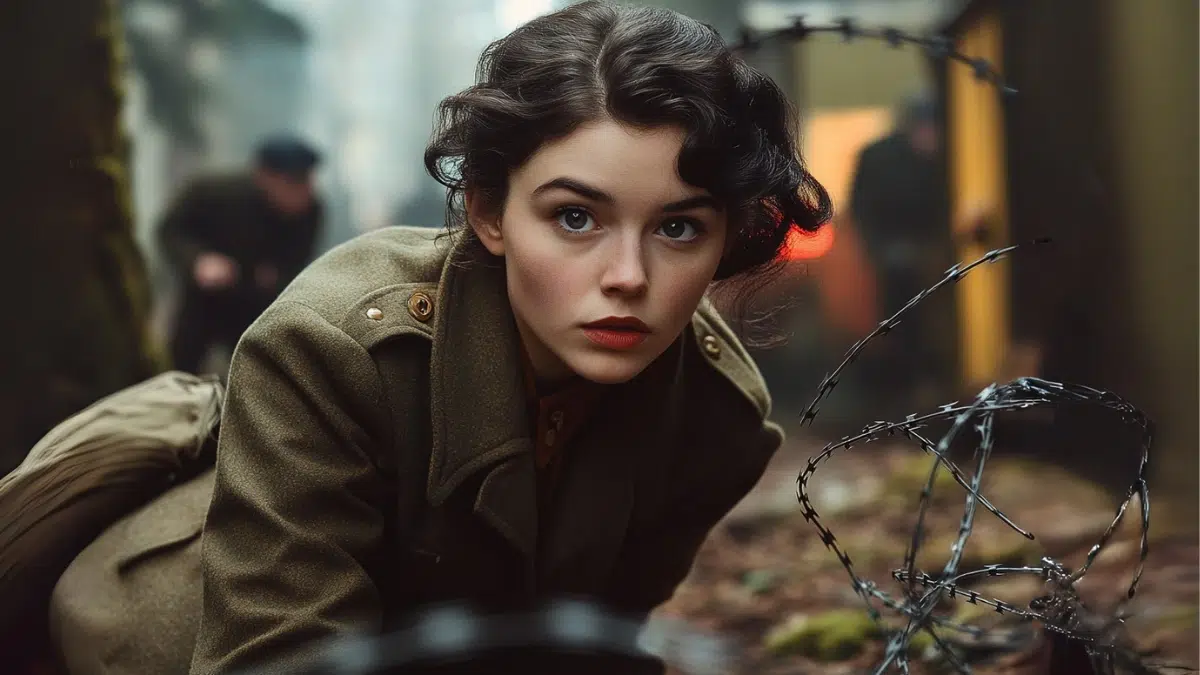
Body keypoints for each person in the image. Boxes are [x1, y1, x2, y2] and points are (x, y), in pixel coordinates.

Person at [45, 2, 831, 673]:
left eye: (679, 226)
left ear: (727, 236)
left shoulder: (715, 417)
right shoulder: (335, 350)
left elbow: (596, 641)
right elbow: (276, 655)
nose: (627, 275)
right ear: (490, 212)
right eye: (575, 216)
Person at [158, 135, 324, 375]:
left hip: (259, 305)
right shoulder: (214, 192)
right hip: (205, 300)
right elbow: (171, 230)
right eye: (292, 182)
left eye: (307, 182)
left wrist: (278, 274)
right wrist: (198, 260)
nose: (303, 192)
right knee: (181, 367)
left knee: (258, 375)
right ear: (264, 177)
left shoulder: (311, 210)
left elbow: (301, 257)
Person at [847, 93, 955, 410]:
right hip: (893, 250)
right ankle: (906, 384)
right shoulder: (881, 156)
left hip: (930, 249)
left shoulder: (936, 155)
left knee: (924, 318)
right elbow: (863, 205)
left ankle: (920, 382)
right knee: (902, 317)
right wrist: (878, 247)